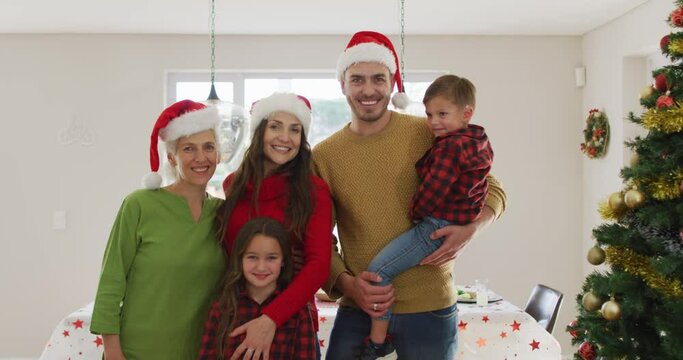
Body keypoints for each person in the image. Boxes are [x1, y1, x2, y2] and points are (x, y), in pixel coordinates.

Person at [312, 31, 507, 359]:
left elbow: (495, 189)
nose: (369, 89)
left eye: (379, 78)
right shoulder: (324, 155)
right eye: (357, 79)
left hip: (430, 307)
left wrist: (470, 229)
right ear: (343, 84)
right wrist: (347, 285)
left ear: (392, 83)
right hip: (361, 306)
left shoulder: (429, 130)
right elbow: (318, 236)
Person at [362, 74, 493, 357]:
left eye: (442, 114)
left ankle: (377, 341)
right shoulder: (477, 140)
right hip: (450, 221)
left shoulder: (449, 145)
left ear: (466, 113)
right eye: (429, 113)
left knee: (377, 271)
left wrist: (416, 212)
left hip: (434, 227)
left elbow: (435, 190)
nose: (433, 122)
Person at [90, 100, 226, 359]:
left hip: (201, 351)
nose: (201, 157)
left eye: (209, 147)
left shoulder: (223, 214)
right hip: (137, 350)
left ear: (218, 154)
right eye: (189, 148)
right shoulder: (140, 205)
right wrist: (113, 352)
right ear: (172, 156)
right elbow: (111, 281)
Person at [216, 92, 333, 359]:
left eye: (295, 130)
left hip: (291, 319)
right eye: (275, 126)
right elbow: (230, 252)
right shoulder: (232, 185)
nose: (285, 137)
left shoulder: (314, 190)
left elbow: (318, 264)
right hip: (237, 314)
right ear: (259, 132)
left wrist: (271, 318)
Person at [198, 217, 317, 359]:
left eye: (271, 258)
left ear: (283, 261)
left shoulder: (300, 313)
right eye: (252, 257)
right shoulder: (222, 307)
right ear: (240, 259)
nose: (261, 267)